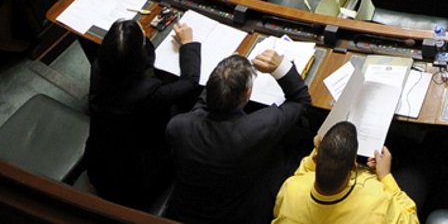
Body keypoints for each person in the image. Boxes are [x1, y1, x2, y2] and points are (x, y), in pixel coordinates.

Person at [165, 50, 312, 224]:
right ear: (247, 94)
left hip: (187, 212)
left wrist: (224, 77)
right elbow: (301, 100)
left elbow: (202, 108)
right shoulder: (256, 129)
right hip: (236, 216)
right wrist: (281, 68)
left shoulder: (178, 126)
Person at [85, 18, 203, 209]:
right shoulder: (148, 92)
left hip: (99, 163)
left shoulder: (98, 67)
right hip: (138, 179)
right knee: (186, 109)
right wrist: (188, 43)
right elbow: (190, 81)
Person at [271, 119, 419, 224]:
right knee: (416, 169)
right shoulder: (376, 199)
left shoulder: (291, 189)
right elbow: (412, 219)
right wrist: (385, 176)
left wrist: (320, 151)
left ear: (315, 158)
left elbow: (301, 175)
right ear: (354, 167)